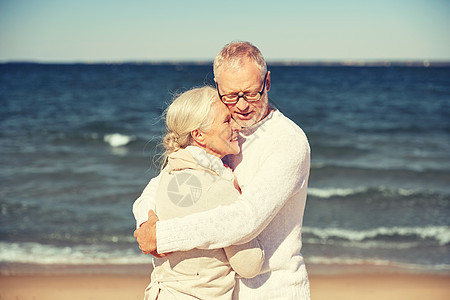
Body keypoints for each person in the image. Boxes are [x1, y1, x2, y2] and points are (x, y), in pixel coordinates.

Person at [133, 41, 311, 299]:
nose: (241, 106)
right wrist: (145, 221)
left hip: (273, 288)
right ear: (217, 86)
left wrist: (164, 236)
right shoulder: (221, 134)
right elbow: (162, 182)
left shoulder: (287, 141)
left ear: (267, 82)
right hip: (225, 291)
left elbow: (245, 218)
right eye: (230, 95)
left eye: (251, 93)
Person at [141, 86, 264, 299]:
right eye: (227, 121)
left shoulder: (170, 174)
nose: (237, 126)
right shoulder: (217, 188)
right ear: (199, 135)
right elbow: (249, 264)